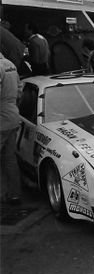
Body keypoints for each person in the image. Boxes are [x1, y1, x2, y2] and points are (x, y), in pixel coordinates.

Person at [0, 52, 22, 205]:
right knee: (10, 159)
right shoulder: (10, 64)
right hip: (13, 116)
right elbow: (20, 90)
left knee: (9, 159)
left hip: (1, 117)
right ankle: (14, 195)